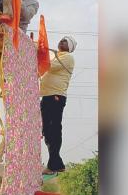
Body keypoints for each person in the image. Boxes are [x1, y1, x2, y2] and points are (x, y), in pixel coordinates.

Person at [40, 36, 77, 174]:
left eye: (65, 41)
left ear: (70, 47)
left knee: (53, 129)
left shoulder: (68, 57)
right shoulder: (57, 56)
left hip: (55, 96)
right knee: (47, 130)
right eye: (61, 39)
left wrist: (39, 52)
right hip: (48, 95)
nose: (61, 41)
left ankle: (54, 164)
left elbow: (47, 66)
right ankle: (55, 163)